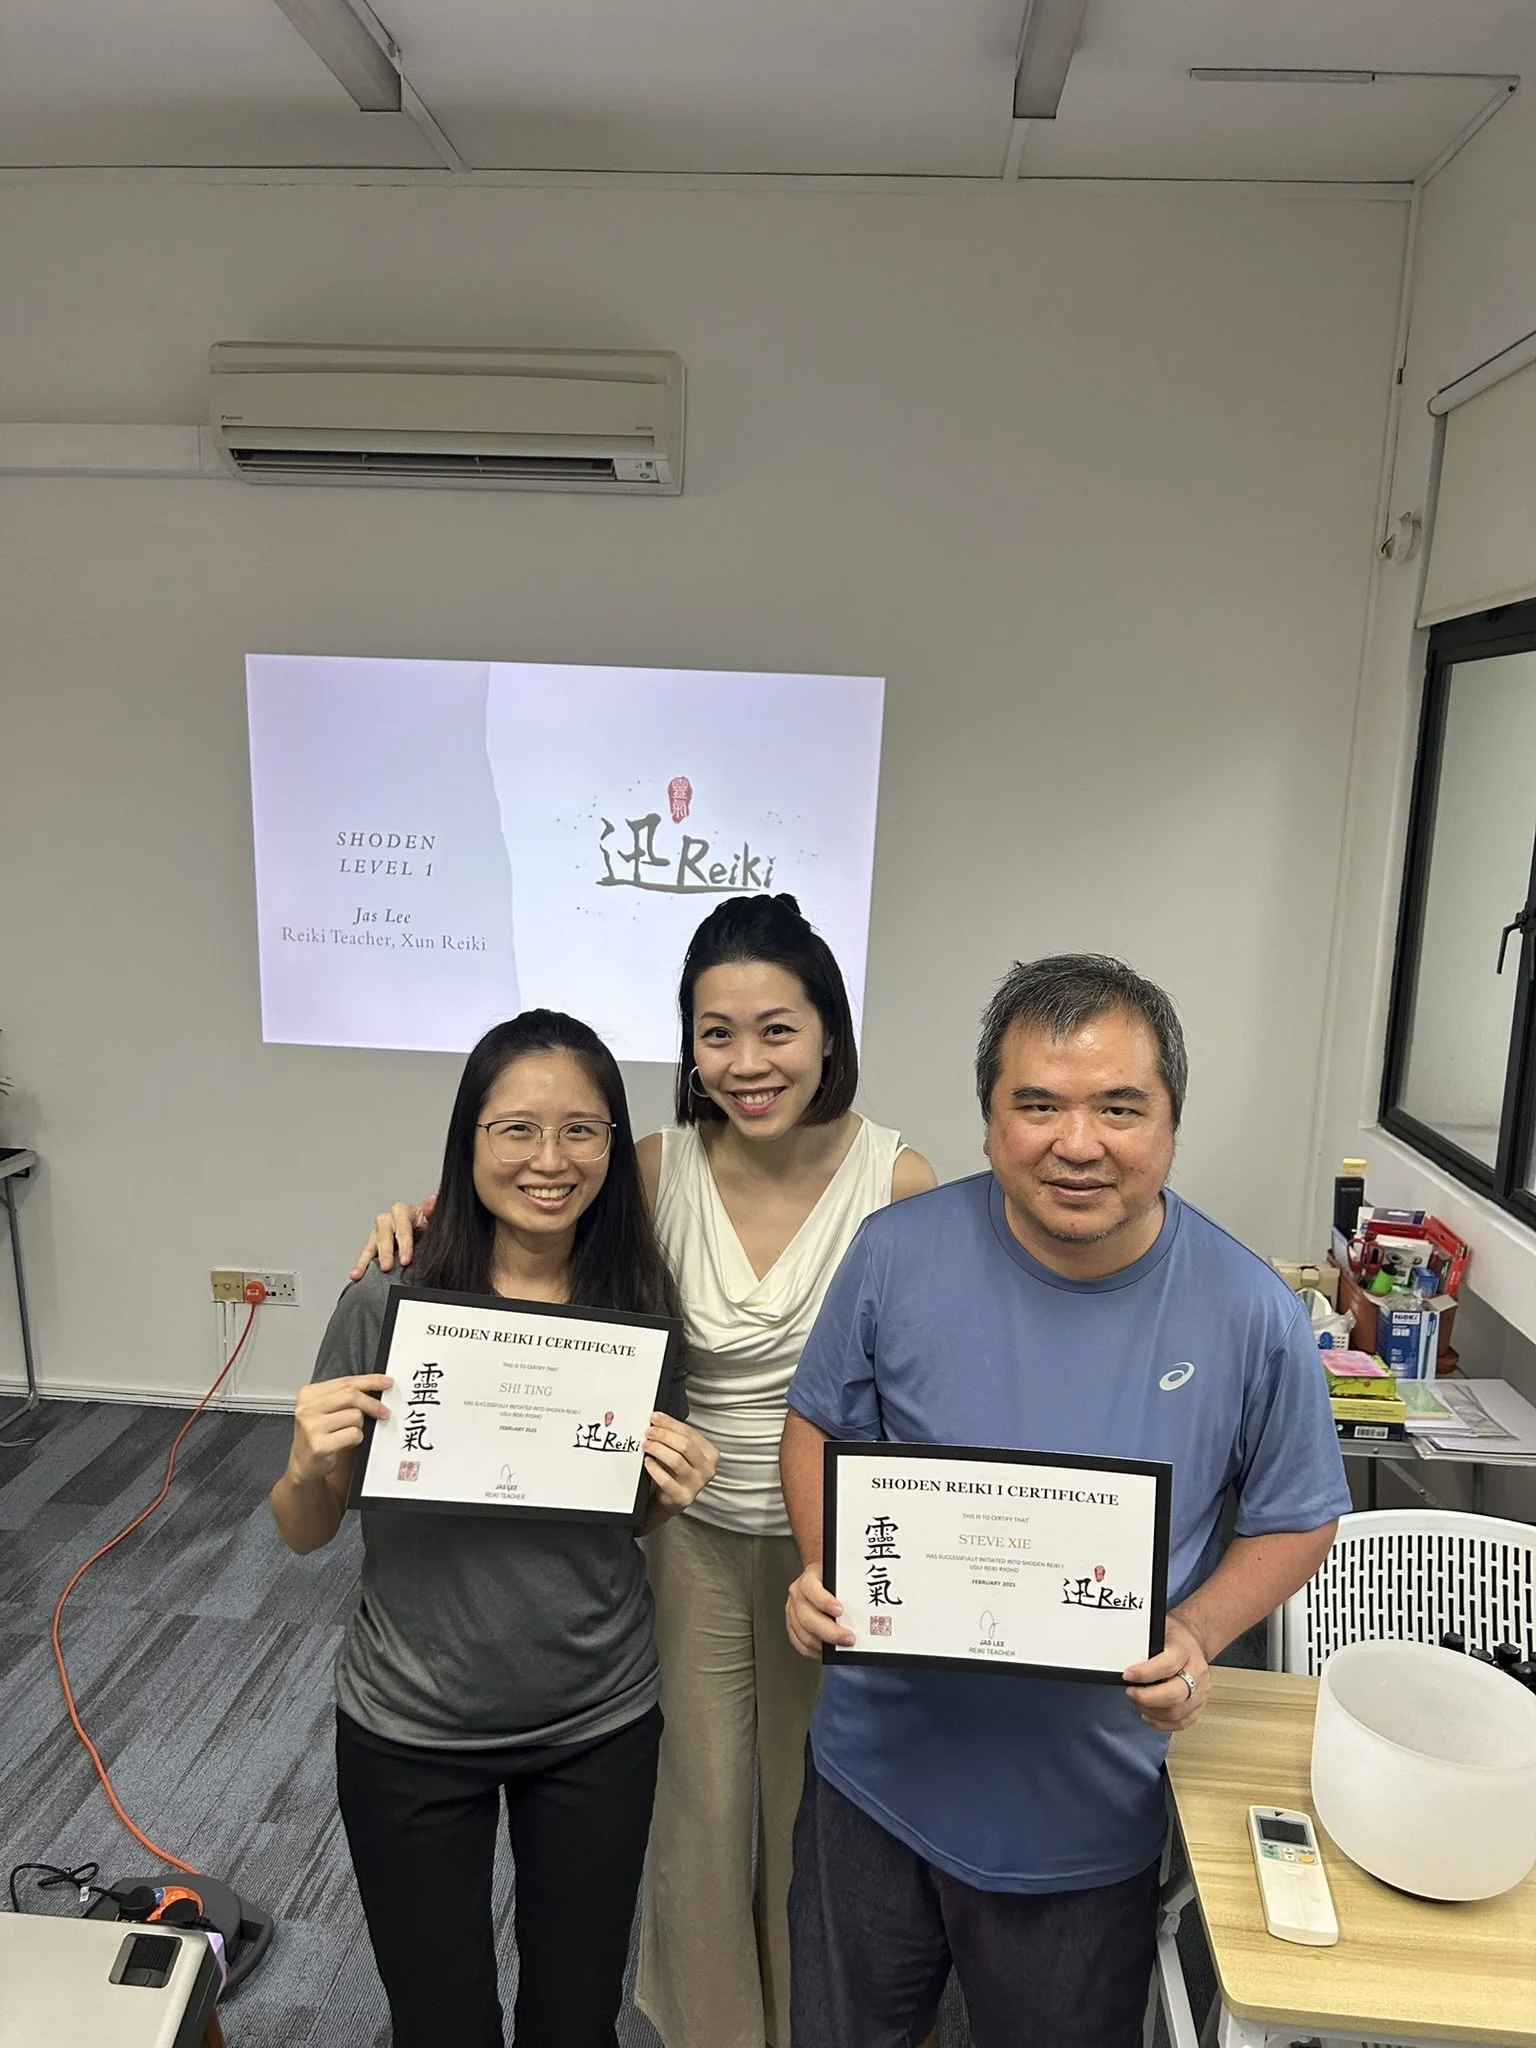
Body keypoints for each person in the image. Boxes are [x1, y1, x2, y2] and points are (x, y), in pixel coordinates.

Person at [353, 893, 936, 2048]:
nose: (747, 1060)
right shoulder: (657, 1166)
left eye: (777, 1028)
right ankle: (713, 2025)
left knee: (825, 1803)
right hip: (680, 1529)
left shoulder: (900, 1181)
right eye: (715, 1033)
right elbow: (530, 1206)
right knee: (702, 1808)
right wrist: (415, 1213)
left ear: (829, 1030)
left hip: (834, 1547)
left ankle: (825, 2018)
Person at [780, 955, 1351, 2048]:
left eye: (1118, 1107)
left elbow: (1295, 1511)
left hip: (1090, 1804)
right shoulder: (896, 1254)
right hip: (875, 1774)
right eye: (1036, 1104)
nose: (1076, 1142)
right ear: (990, 1121)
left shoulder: (1248, 1309)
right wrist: (824, 1563)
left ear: (1171, 1122)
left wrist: (1196, 1630)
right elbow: (817, 1420)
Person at [270, 1010, 718, 2048]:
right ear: (468, 1140)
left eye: (583, 1130)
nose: (550, 1160)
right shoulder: (388, 1298)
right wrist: (302, 1462)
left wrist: (670, 1489)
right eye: (516, 1129)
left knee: (574, 2019)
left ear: (615, 1142)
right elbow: (304, 1530)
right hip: (410, 1722)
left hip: (595, 1716)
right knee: (440, 2022)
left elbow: (624, 1517)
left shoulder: (640, 1306)